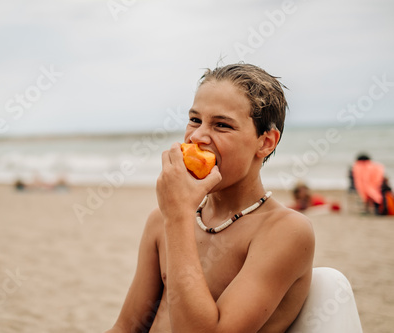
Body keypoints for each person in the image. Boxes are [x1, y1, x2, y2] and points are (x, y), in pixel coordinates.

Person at [105, 64, 315, 333]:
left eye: (222, 125)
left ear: (265, 143)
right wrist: (176, 215)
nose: (197, 136)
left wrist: (179, 216)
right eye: (195, 120)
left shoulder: (284, 231)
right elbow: (126, 327)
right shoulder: (161, 220)